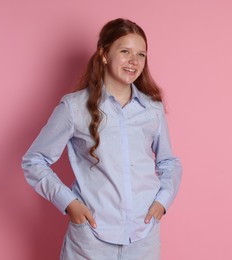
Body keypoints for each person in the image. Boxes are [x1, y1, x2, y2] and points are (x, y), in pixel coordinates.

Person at [22, 18, 182, 260]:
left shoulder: (152, 109)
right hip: (90, 239)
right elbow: (34, 160)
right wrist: (69, 203)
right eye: (125, 51)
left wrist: (162, 201)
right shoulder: (74, 107)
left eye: (141, 54)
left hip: (143, 238)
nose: (134, 61)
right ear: (104, 54)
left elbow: (169, 162)